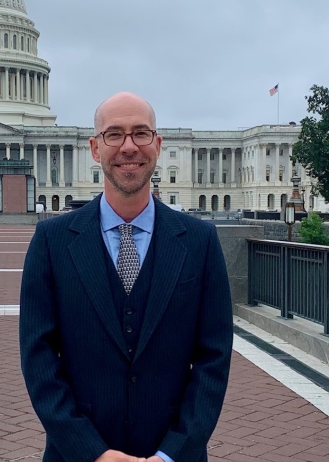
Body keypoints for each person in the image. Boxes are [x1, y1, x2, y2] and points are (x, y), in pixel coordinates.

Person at [19, 92, 233, 462]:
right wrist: (93, 453)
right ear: (95, 148)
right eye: (114, 134)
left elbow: (214, 358)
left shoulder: (200, 241)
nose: (129, 147)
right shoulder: (51, 242)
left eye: (141, 133)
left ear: (158, 144)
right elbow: (38, 358)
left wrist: (172, 454)